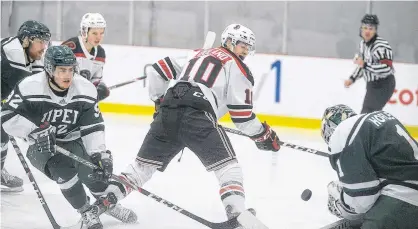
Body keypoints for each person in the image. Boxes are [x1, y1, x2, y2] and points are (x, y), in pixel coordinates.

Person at [116, 23, 280, 227]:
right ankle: (236, 212)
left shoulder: (196, 54)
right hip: (197, 117)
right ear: (228, 41)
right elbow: (242, 116)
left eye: (248, 47)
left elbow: (157, 70)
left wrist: (159, 103)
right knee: (229, 168)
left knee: (139, 169)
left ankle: (106, 200)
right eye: (241, 45)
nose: (245, 51)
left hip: (168, 111)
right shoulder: (238, 68)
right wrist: (263, 134)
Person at [1, 45, 136, 229]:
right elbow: (6, 116)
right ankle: (86, 211)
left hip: (73, 139)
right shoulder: (29, 87)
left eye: (71, 70)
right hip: (42, 147)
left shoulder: (85, 89)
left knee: (94, 173)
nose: (67, 75)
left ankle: (109, 205)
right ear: (49, 69)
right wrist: (33, 130)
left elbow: (93, 126)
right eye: (62, 70)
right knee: (63, 172)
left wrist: (99, 154)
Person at [321, 104, 418, 229]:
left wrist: (340, 203)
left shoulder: (342, 133)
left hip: (402, 202)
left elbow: (363, 199)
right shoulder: (380, 118)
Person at [1, 20, 51, 192]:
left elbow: (37, 89)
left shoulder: (32, 57)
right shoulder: (12, 52)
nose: (44, 46)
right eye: (41, 42)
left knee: (3, 129)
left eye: (46, 42)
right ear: (26, 40)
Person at [344, 14, 396, 114]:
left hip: (384, 84)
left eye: (371, 28)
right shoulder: (362, 44)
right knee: (367, 114)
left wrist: (365, 65)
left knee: (368, 114)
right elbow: (363, 65)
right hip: (372, 85)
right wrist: (352, 78)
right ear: (361, 29)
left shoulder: (381, 45)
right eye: (365, 28)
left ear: (375, 30)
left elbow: (387, 69)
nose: (367, 31)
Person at [61, 13, 109, 101]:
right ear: (84, 31)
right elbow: (57, 77)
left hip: (80, 102)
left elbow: (95, 79)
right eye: (94, 33)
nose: (99, 37)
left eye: (101, 33)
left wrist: (99, 88)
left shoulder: (100, 53)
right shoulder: (69, 48)